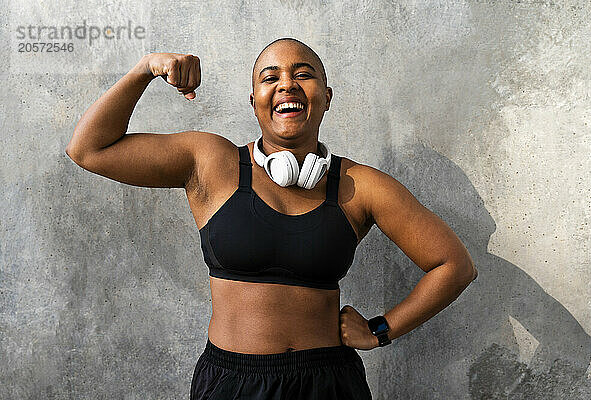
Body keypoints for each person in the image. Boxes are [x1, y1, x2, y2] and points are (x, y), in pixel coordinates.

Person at [66, 37, 478, 400]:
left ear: (327, 96)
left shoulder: (360, 185)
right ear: (253, 100)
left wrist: (381, 330)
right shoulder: (211, 162)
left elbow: (453, 265)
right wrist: (145, 69)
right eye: (270, 77)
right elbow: (89, 150)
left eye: (304, 74)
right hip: (231, 383)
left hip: (329, 384)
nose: (287, 83)